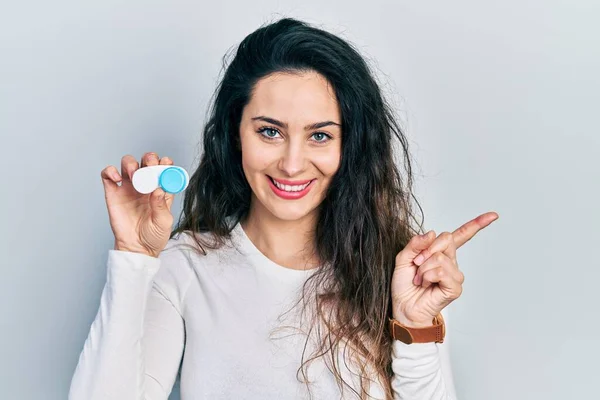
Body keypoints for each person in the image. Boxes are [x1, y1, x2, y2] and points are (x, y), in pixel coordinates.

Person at [69, 17, 498, 400]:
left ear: (350, 146)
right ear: (235, 134)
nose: (292, 164)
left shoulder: (397, 270)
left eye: (320, 136)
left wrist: (416, 325)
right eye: (270, 132)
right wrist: (133, 258)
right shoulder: (187, 268)